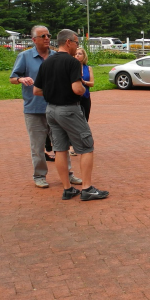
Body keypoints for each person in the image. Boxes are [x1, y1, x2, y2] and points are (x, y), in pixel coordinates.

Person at [33, 29, 108, 201]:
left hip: (51, 110)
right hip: (69, 109)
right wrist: (82, 88)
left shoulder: (47, 62)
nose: (77, 46)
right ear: (68, 42)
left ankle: (67, 188)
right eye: (76, 42)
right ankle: (87, 188)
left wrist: (55, 91)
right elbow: (77, 88)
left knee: (60, 148)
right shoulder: (72, 63)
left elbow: (37, 90)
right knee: (86, 146)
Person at [9, 25, 81, 189]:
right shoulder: (25, 56)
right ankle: (40, 175)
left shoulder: (56, 56)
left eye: (48, 35)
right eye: (43, 36)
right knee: (37, 145)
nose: (47, 38)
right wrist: (21, 79)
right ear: (34, 39)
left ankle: (68, 174)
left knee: (61, 144)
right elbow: (13, 78)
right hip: (34, 109)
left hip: (56, 107)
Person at [69, 48, 94, 156]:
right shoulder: (71, 68)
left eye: (80, 54)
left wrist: (84, 82)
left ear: (84, 56)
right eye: (75, 54)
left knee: (84, 120)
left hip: (86, 96)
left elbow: (92, 83)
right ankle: (72, 146)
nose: (77, 55)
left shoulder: (88, 68)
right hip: (75, 98)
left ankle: (82, 144)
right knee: (74, 122)